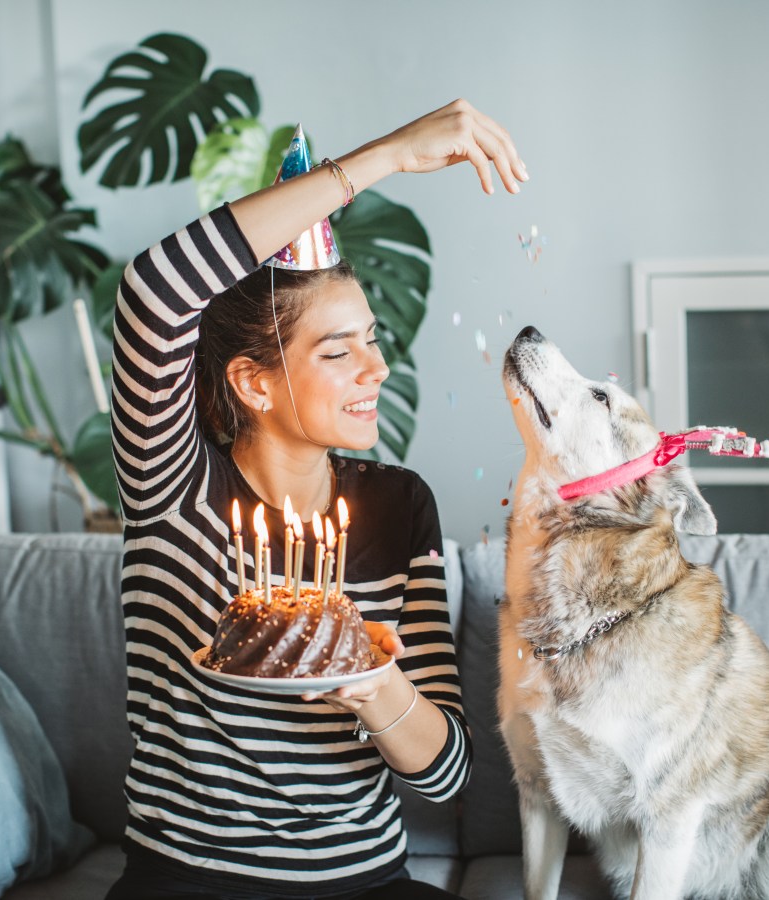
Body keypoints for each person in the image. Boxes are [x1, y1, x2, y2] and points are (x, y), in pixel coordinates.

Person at [105, 99, 527, 900]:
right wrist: (389, 156)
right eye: (339, 351)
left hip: (361, 882)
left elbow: (446, 775)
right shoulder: (175, 488)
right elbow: (155, 293)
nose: (376, 370)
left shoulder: (400, 507)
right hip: (191, 883)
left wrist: (375, 686)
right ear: (254, 381)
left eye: (373, 340)